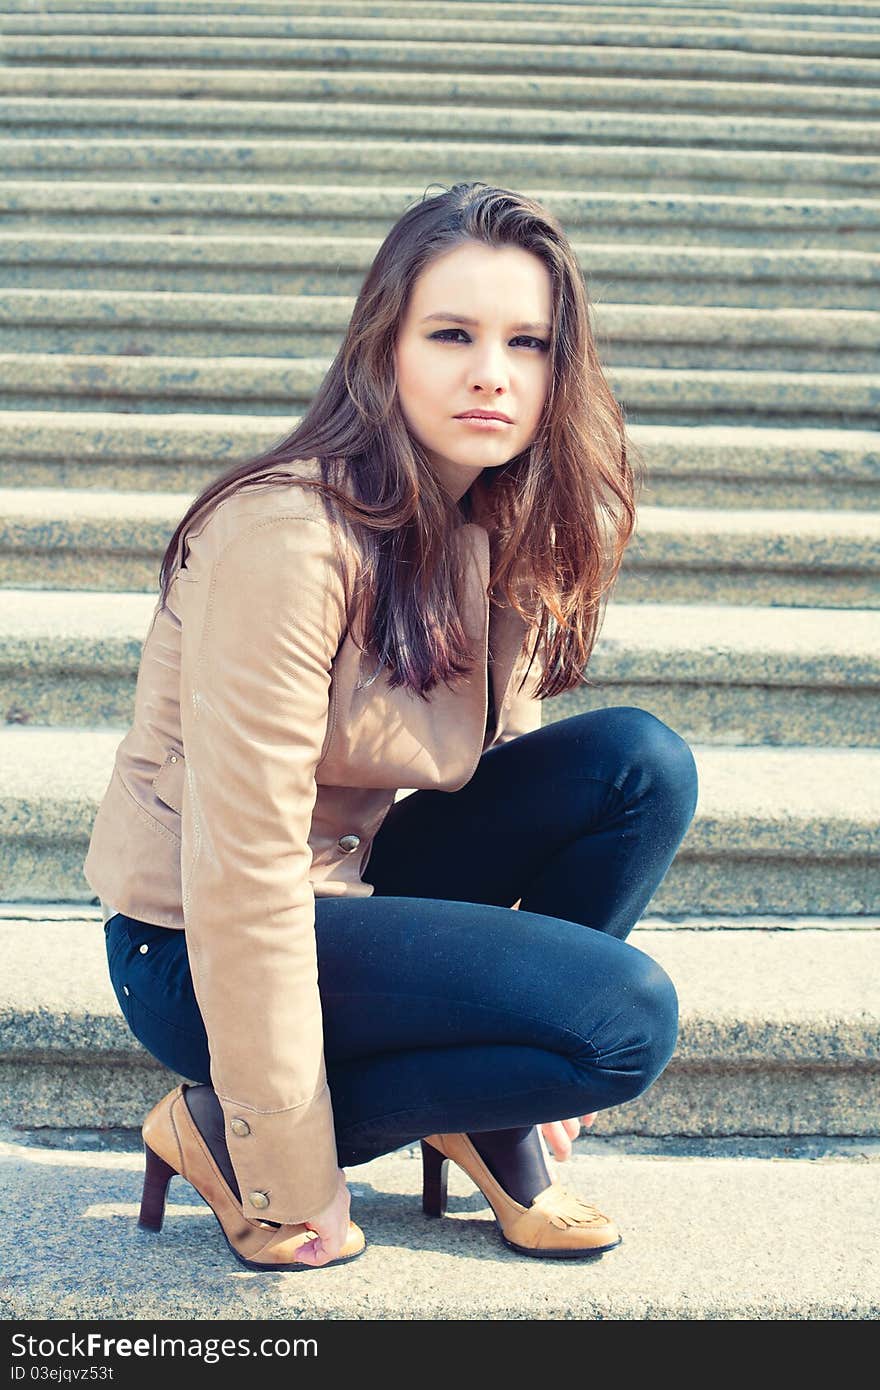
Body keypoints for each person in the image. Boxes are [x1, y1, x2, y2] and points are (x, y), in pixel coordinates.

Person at [84, 181, 699, 1272]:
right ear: (386, 347)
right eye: (451, 333)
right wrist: (289, 1167)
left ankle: (490, 1109)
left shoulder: (492, 520)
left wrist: (509, 1011)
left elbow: (500, 772)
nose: (491, 373)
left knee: (636, 765)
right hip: (200, 940)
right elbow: (240, 868)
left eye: (528, 341)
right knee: (620, 1019)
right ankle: (227, 1129)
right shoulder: (283, 535)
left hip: (352, 884)